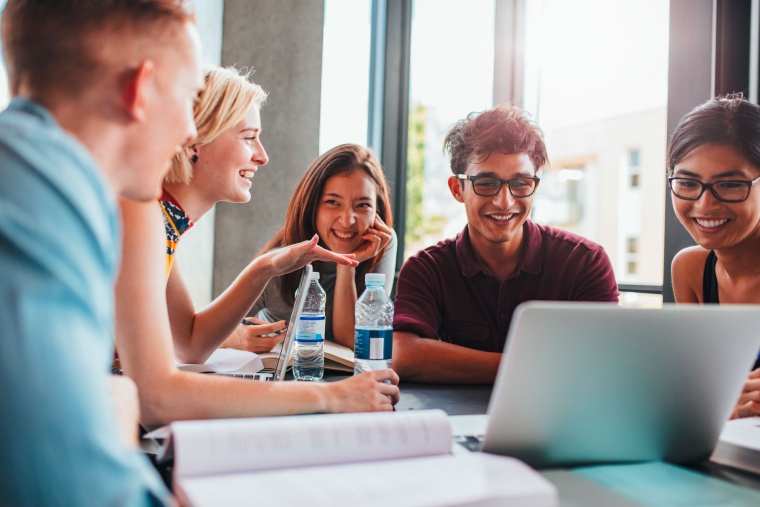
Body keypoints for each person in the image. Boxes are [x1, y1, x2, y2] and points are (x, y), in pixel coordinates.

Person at [0, 0, 204, 504]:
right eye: (188, 97)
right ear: (140, 90)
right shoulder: (43, 198)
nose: (191, 132)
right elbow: (71, 485)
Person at [116, 67, 399, 428]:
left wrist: (264, 267)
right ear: (194, 141)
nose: (262, 156)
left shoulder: (163, 226)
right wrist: (331, 396)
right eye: (249, 137)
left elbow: (189, 343)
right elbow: (158, 396)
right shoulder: (142, 219)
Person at [392, 104, 619, 384]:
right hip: (453, 423)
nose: (504, 201)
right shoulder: (426, 269)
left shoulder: (584, 262)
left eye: (520, 183)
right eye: (486, 183)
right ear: (456, 189)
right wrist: (538, 368)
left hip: (553, 424)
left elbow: (602, 362)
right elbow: (404, 355)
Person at [247, 143, 396, 350]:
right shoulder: (280, 260)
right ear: (312, 206)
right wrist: (238, 337)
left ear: (377, 211)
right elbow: (216, 329)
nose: (347, 220)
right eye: (333, 202)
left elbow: (354, 341)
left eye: (363, 205)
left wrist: (346, 264)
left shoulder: (381, 242)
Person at [668, 95, 760, 419]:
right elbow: (699, 390)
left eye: (731, 184)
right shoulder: (690, 269)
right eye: (688, 183)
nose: (705, 205)